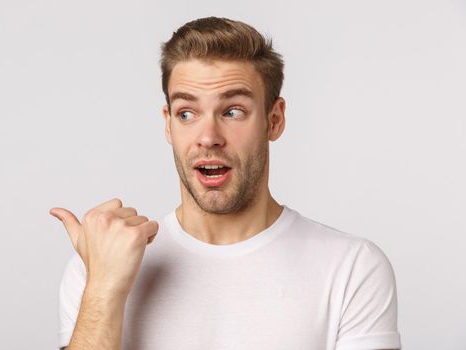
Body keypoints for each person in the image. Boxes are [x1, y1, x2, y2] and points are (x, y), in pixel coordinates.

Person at [49, 16, 402, 350]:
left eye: (232, 111)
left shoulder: (351, 267)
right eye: (187, 113)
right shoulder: (99, 265)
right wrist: (104, 287)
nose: (208, 137)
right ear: (168, 124)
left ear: (274, 120)